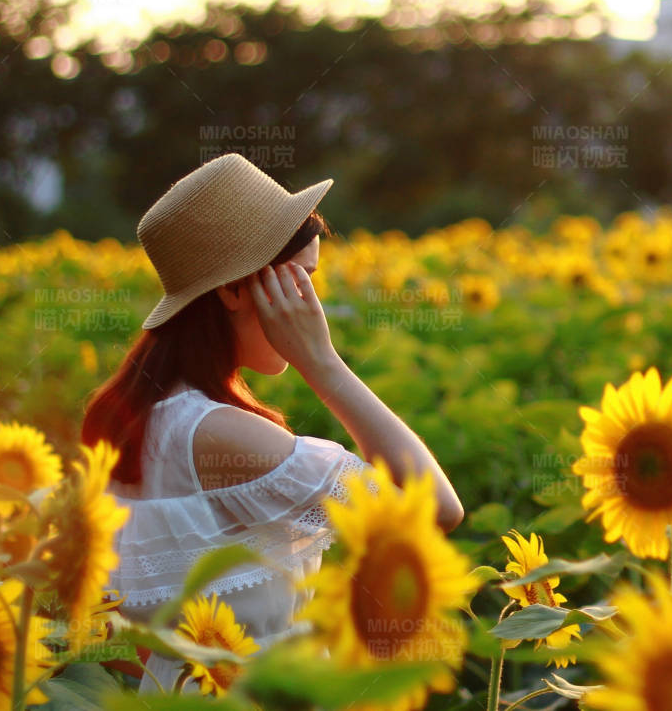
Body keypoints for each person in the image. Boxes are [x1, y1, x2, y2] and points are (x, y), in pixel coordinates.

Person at [81, 153, 463, 692]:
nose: (313, 303)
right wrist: (323, 364)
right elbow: (436, 510)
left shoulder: (138, 416)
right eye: (302, 280)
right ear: (235, 290)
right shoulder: (221, 435)